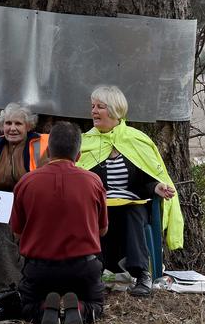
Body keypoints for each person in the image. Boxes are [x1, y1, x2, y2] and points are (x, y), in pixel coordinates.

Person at [77, 85, 184, 297]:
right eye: (92, 106)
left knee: (131, 212)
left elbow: (147, 178)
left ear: (115, 111)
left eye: (100, 107)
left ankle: (141, 273)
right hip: (99, 204)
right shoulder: (84, 141)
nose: (94, 112)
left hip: (132, 203)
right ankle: (93, 274)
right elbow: (76, 178)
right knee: (94, 213)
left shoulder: (136, 140)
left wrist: (157, 187)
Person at [10, 121, 108, 324]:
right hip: (83, 267)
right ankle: (81, 308)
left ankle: (45, 308)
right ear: (79, 154)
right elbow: (102, 230)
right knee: (97, 305)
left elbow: (17, 233)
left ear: (47, 151)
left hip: (40, 269)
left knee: (27, 306)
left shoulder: (26, 182)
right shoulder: (94, 182)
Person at [0, 103, 48, 305]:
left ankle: (9, 282)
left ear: (28, 126)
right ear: (1, 125)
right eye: (8, 123)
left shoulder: (42, 146)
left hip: (31, 208)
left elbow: (49, 178)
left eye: (17, 123)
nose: (12, 128)